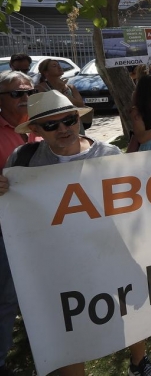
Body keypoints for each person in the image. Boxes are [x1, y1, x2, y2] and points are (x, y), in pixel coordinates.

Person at [1, 91, 151, 376]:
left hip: (110, 252)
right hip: (58, 264)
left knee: (129, 310)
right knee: (68, 326)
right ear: (36, 130)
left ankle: (140, 362)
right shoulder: (23, 161)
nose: (63, 129)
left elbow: (131, 204)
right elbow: (15, 211)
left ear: (79, 119)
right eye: (51, 125)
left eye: (69, 120)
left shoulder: (108, 154)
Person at [0, 71, 39, 375]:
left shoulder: (42, 126)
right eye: (17, 93)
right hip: (6, 232)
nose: (25, 97)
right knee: (7, 297)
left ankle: (44, 342)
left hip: (44, 228)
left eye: (29, 91)